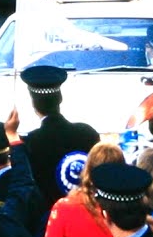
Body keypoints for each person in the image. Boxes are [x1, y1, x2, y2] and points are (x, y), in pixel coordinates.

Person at [17, 64, 99, 208]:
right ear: (59, 99)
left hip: (48, 216)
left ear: (33, 103)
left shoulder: (32, 141)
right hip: (87, 210)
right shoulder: (87, 133)